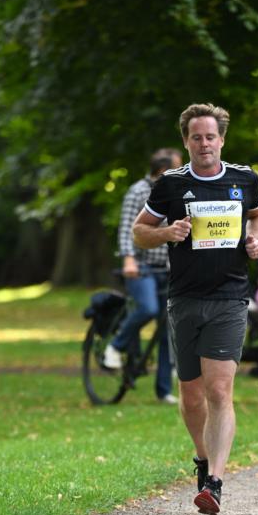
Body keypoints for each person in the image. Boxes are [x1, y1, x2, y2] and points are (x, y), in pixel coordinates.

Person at [132, 102, 258, 515]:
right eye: (197, 137)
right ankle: (203, 457)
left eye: (211, 136)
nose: (204, 143)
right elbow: (140, 232)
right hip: (184, 299)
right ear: (186, 141)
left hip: (229, 297)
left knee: (219, 390)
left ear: (222, 140)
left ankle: (215, 483)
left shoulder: (244, 179)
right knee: (192, 396)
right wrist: (167, 232)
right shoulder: (171, 185)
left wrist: (255, 239)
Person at [102, 148, 183, 403]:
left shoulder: (177, 190)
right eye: (178, 167)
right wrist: (128, 259)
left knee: (167, 328)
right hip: (141, 266)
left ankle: (163, 390)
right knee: (147, 308)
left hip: (166, 268)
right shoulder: (137, 191)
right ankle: (115, 347)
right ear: (163, 170)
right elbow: (127, 228)